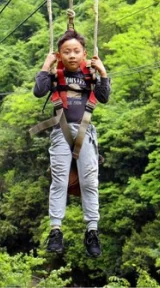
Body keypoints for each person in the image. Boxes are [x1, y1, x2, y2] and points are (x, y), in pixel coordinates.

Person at [33, 30, 111, 257]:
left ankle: (92, 231)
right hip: (61, 131)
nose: (72, 56)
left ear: (84, 54)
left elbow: (104, 96)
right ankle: (55, 230)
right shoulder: (55, 73)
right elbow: (39, 91)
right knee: (59, 182)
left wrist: (103, 72)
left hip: (86, 131)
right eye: (67, 52)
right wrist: (46, 65)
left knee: (89, 181)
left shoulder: (90, 74)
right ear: (60, 55)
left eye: (77, 51)